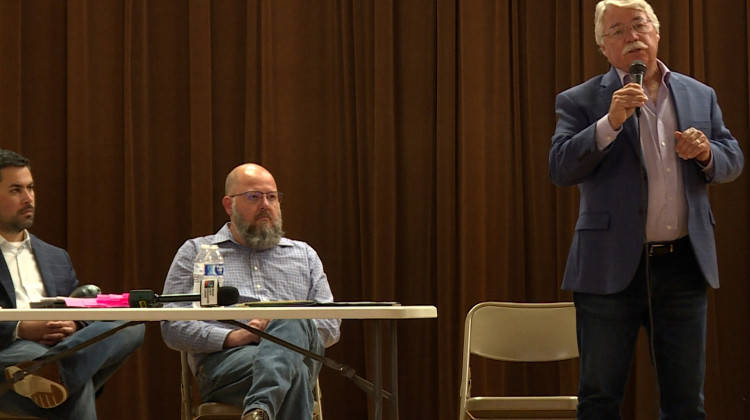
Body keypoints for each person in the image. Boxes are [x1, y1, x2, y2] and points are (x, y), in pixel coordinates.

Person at [549, 1, 744, 418]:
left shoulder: (699, 94)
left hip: (682, 266)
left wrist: (708, 152)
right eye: (617, 31)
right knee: (600, 398)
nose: (631, 36)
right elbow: (561, 168)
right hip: (607, 268)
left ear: (656, 33)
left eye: (639, 26)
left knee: (685, 401)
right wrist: (610, 123)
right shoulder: (580, 100)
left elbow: (732, 158)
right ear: (604, 47)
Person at [161, 163, 340, 420]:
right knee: (294, 373)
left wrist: (281, 329)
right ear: (228, 205)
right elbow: (171, 327)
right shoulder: (197, 252)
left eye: (272, 197)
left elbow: (331, 325)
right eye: (254, 197)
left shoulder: (304, 256)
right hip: (227, 365)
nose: (266, 205)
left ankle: (260, 409)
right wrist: (237, 336)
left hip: (299, 358)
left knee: (291, 319)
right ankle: (260, 409)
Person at [0, 149, 146, 419]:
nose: (28, 198)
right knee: (70, 380)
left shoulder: (56, 257)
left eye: (31, 188)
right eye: (15, 190)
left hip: (61, 346)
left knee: (131, 323)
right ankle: (60, 374)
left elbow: (78, 306)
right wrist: (21, 328)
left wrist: (75, 324)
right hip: (13, 349)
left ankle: (57, 372)